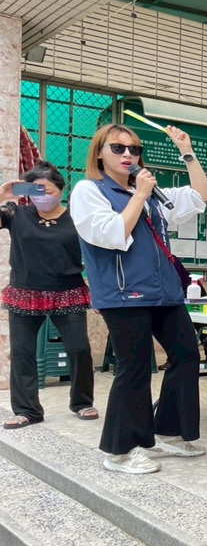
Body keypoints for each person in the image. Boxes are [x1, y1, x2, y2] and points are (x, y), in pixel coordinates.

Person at [71, 124, 207, 474]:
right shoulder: (89, 191)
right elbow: (112, 233)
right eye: (117, 148)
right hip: (124, 294)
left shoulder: (150, 194)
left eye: (134, 149)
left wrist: (187, 152)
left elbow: (202, 194)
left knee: (186, 355)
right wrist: (140, 195)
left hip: (165, 293)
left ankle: (169, 432)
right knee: (134, 367)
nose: (128, 155)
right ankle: (121, 450)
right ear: (99, 152)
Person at [1, 162, 99, 429]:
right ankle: (27, 410)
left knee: (79, 349)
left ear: (61, 190)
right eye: (35, 190)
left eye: (47, 190)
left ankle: (82, 402)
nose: (42, 196)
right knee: (22, 352)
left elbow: (95, 255)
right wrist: (2, 195)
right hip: (24, 292)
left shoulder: (77, 218)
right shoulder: (15, 213)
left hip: (68, 292)